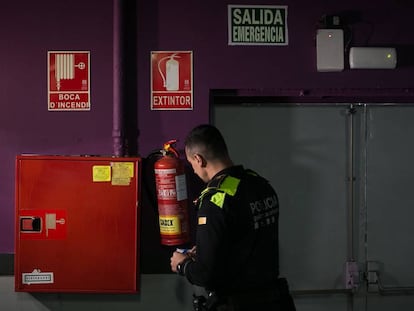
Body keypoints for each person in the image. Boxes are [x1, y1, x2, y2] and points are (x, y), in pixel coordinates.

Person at [170, 124, 296, 311]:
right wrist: (209, 248)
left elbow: (205, 274)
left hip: (239, 303)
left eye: (191, 164)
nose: (194, 171)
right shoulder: (260, 184)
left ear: (198, 159)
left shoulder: (215, 199)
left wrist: (182, 265)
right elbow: (246, 238)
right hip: (276, 301)